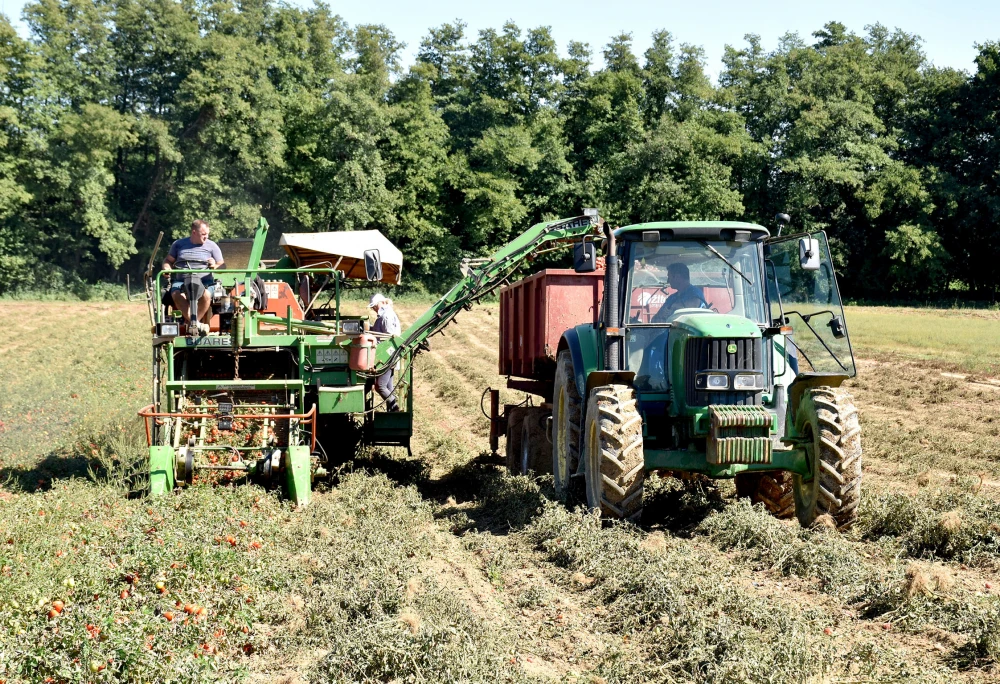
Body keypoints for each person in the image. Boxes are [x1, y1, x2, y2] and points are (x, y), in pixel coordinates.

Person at [162, 220, 225, 334]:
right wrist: (167, 268)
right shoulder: (178, 244)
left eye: (207, 234)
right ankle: (196, 323)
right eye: (203, 234)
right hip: (181, 281)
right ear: (194, 232)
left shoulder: (212, 246)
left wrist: (214, 265)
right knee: (176, 293)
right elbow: (168, 261)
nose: (206, 237)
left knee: (206, 294)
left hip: (205, 282)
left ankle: (192, 323)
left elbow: (223, 265)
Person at [369, 293, 401, 412]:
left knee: (380, 386)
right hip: (389, 355)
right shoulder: (383, 315)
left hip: (386, 356)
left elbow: (389, 338)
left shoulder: (386, 316)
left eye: (374, 305)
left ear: (381, 303)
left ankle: (395, 409)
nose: (373, 308)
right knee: (388, 386)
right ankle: (392, 412)